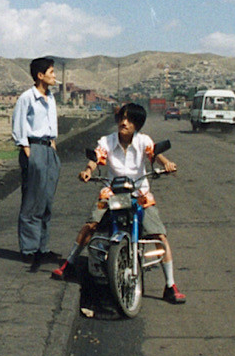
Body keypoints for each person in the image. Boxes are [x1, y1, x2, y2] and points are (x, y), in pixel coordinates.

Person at [55, 102, 186, 304]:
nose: (124, 123)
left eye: (130, 119)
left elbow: (155, 154)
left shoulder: (144, 141)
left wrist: (167, 164)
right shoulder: (106, 141)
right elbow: (96, 157)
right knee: (91, 224)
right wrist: (88, 171)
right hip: (112, 193)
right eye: (122, 118)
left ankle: (170, 285)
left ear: (137, 124)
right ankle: (69, 263)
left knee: (160, 236)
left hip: (140, 193)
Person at [12, 56, 60, 269]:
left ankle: (42, 248)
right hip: (34, 149)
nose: (54, 76)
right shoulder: (27, 98)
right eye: (51, 72)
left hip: (49, 149)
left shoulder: (50, 98)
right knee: (32, 200)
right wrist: (27, 149)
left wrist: (53, 144)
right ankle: (29, 250)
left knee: (46, 201)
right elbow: (18, 124)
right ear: (40, 76)